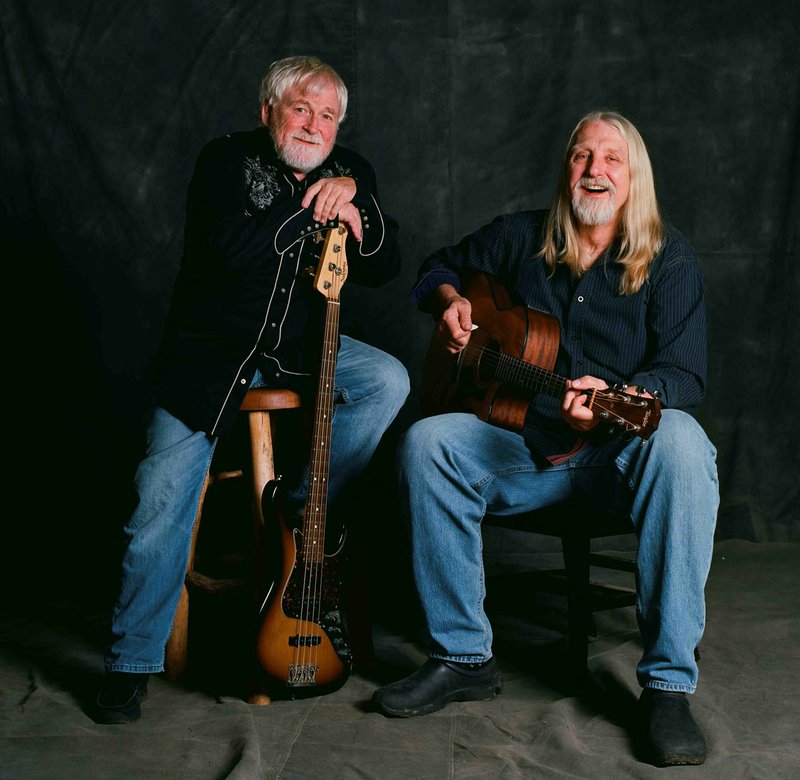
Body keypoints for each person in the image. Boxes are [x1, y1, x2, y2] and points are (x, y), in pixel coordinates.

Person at [372, 111, 718, 768]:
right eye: (583, 156)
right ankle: (463, 656)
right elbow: (435, 268)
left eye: (612, 159)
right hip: (526, 450)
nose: (595, 170)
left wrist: (623, 402)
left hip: (620, 457)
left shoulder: (669, 257)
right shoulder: (518, 236)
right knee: (428, 442)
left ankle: (668, 688)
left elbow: (684, 371)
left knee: (680, 440)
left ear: (634, 175)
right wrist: (450, 301)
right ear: (567, 170)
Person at [95, 55, 409, 724]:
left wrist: (358, 201)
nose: (314, 124)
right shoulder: (222, 162)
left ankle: (297, 506)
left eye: (328, 115)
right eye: (301, 108)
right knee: (159, 499)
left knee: (387, 379)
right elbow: (226, 252)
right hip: (209, 361)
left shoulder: (349, 172)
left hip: (299, 354)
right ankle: (130, 663)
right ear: (268, 111)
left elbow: (385, 264)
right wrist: (309, 209)